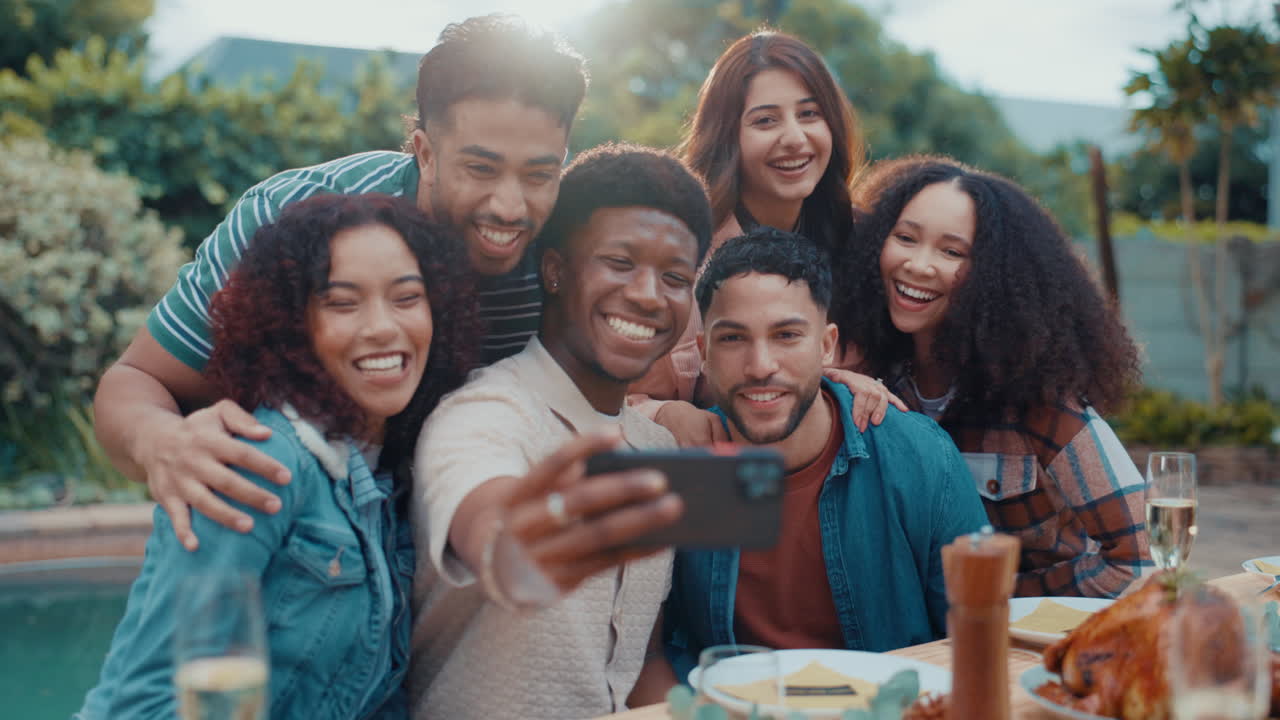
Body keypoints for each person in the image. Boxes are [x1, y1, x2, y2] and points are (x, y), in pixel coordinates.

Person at [91, 14, 587, 550]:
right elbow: (136, 380)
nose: (510, 208)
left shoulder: (573, 248)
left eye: (539, 175)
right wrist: (160, 441)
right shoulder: (296, 221)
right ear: (424, 152)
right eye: (481, 170)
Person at [76, 193, 478, 720]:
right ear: (293, 326)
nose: (383, 327)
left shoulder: (385, 475)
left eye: (406, 297)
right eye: (342, 302)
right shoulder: (255, 461)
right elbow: (145, 704)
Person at [409, 144, 712, 719]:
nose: (649, 295)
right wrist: (520, 541)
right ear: (554, 270)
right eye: (620, 263)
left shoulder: (658, 449)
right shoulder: (481, 414)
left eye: (674, 276)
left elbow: (639, 664)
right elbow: (495, 533)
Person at [662, 229, 988, 680]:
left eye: (787, 335)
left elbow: (978, 641)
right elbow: (654, 650)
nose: (760, 366)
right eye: (733, 338)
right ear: (703, 353)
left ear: (827, 345)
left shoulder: (921, 458)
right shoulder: (677, 466)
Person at [833, 155, 1149, 598]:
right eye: (905, 238)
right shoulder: (875, 380)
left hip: (1032, 643)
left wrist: (1003, 598)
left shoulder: (1041, 403)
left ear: (994, 277)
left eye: (952, 252)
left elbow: (1140, 559)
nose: (919, 265)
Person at [628, 29, 901, 441]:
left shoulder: (864, 242)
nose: (794, 138)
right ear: (727, 136)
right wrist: (666, 415)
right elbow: (617, 404)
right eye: (766, 120)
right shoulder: (680, 257)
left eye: (809, 114)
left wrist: (837, 387)